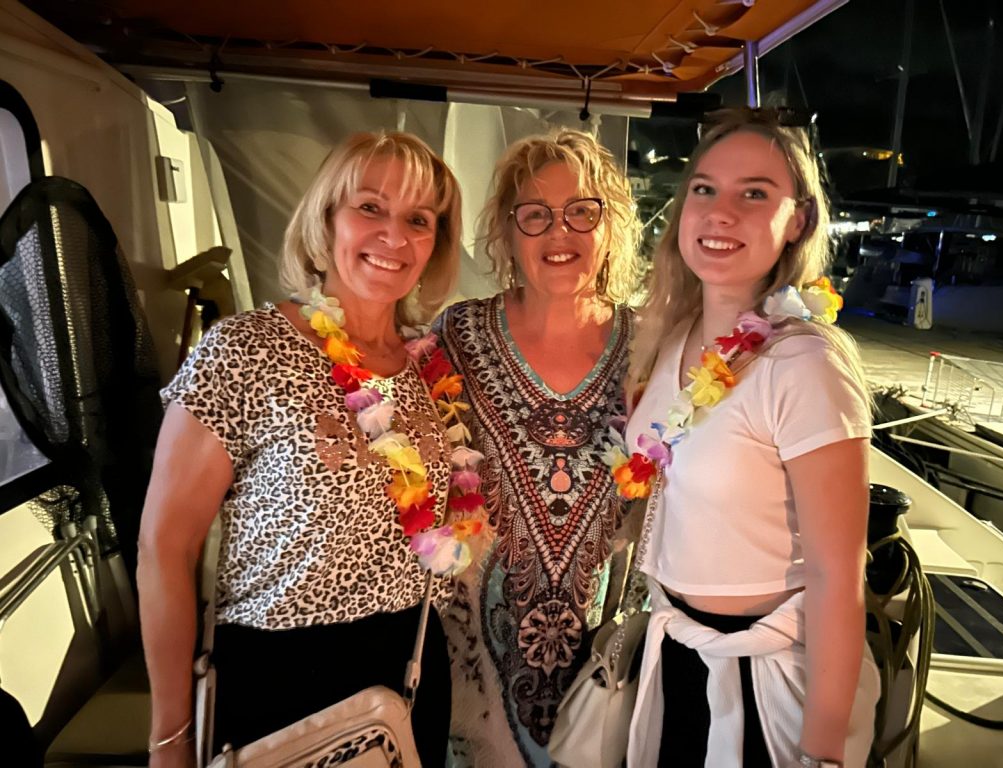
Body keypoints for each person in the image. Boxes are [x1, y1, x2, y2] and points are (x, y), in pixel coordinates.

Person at [138, 131, 463, 768]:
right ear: (326, 218)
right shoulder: (246, 349)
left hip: (412, 665)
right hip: (281, 680)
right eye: (370, 207)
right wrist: (170, 738)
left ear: (435, 243)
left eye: (418, 220)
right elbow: (164, 548)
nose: (394, 236)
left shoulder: (428, 367)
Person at [622, 109, 880, 768]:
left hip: (768, 679)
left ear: (797, 221)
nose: (720, 212)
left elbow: (837, 574)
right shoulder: (671, 339)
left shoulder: (804, 363)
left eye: (755, 193)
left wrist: (823, 749)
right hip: (677, 652)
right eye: (704, 189)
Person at [438, 129, 643, 768]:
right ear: (508, 230)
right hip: (470, 672)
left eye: (582, 210)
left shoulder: (649, 347)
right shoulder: (459, 334)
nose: (560, 232)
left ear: (610, 226)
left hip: (604, 669)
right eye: (536, 214)